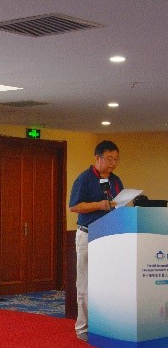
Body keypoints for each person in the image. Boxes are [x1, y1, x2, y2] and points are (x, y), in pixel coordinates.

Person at [69, 140, 123, 341]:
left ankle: (105, 324)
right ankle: (83, 327)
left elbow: (118, 203)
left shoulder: (116, 181)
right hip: (88, 234)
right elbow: (74, 206)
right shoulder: (84, 178)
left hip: (110, 235)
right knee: (85, 283)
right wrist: (99, 205)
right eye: (109, 159)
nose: (113, 163)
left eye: (116, 159)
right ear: (97, 158)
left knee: (108, 282)